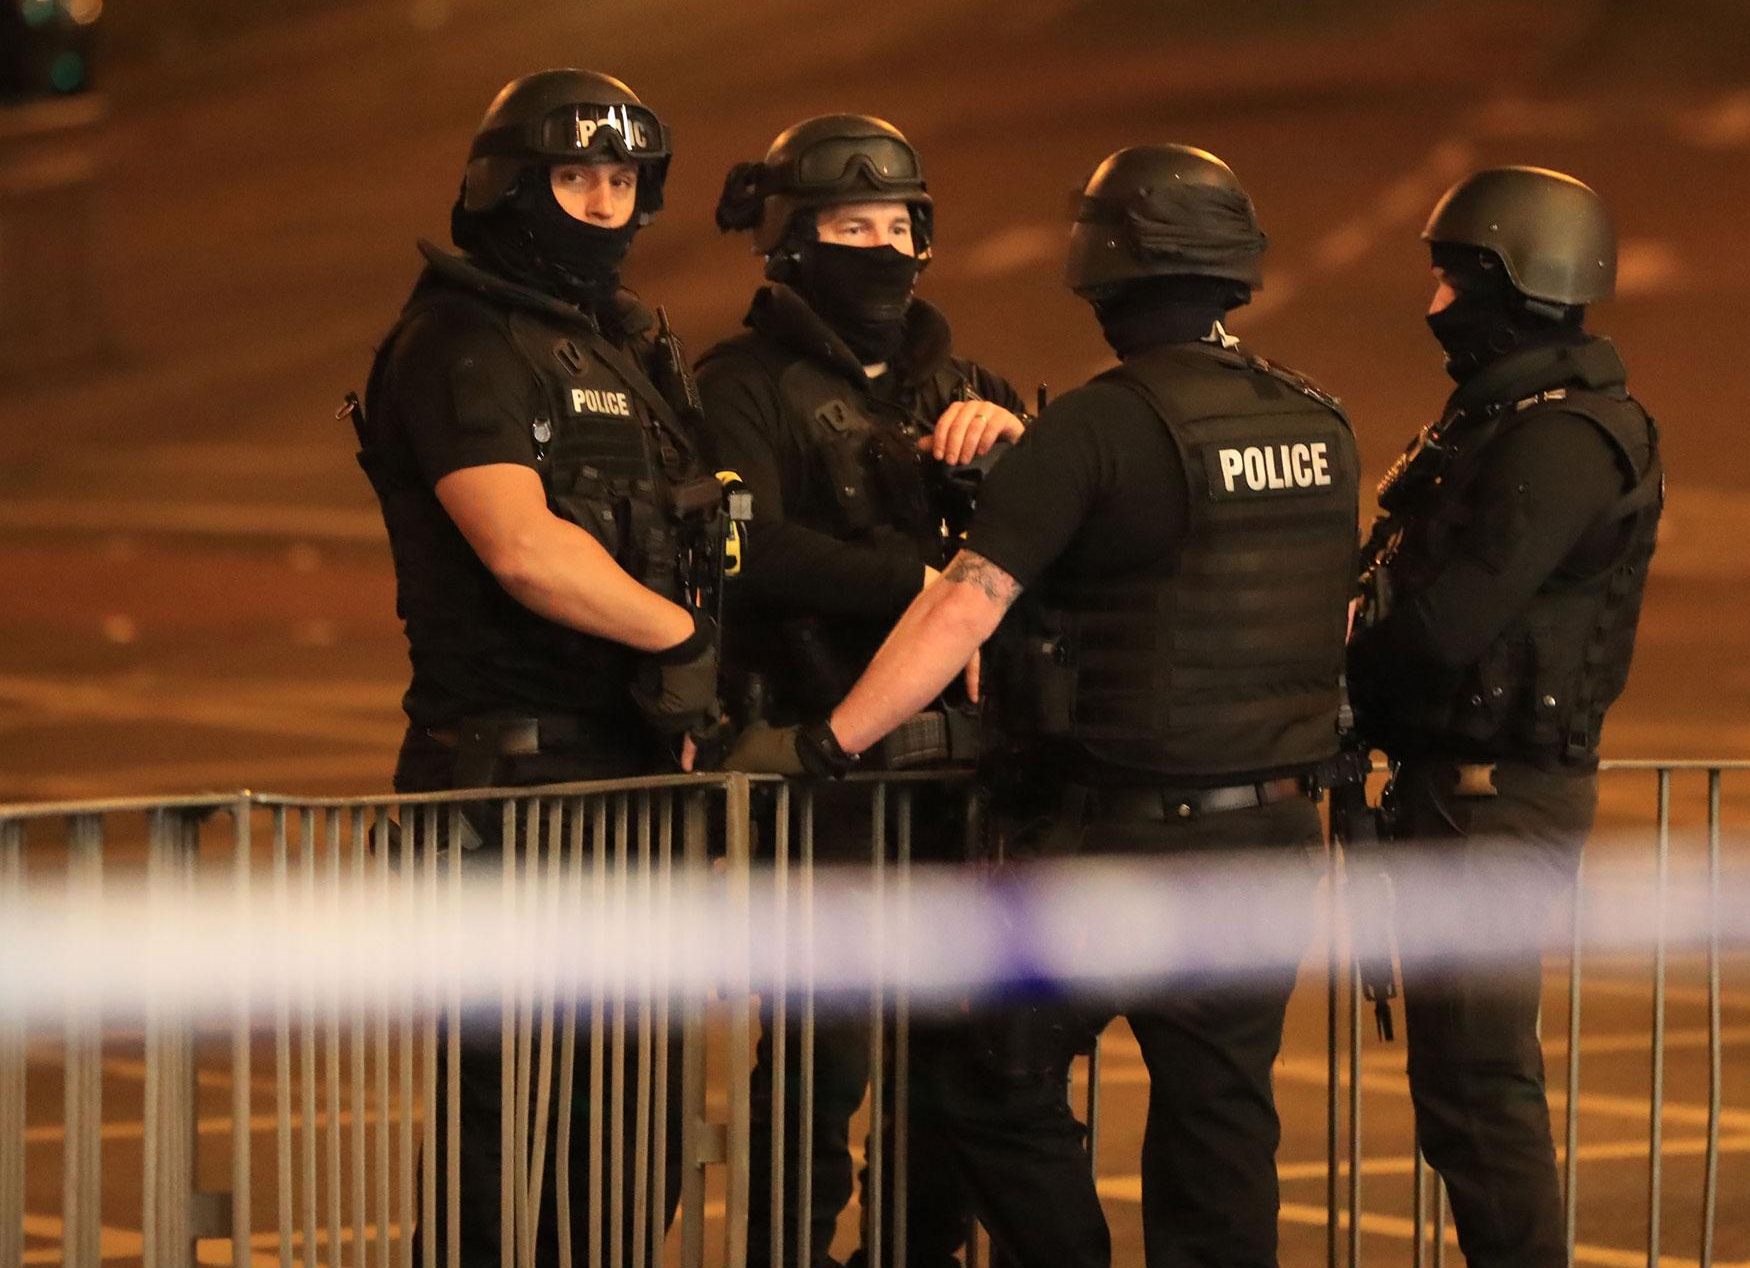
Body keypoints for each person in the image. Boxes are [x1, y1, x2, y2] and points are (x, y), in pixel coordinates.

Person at [758, 144, 1360, 1268]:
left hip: (1123, 840)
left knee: (985, 1072)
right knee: (1221, 1125)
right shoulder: (1315, 425)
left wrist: (827, 741)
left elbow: (960, 610)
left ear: (1099, 272)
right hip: (1274, 838)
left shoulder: (1094, 426)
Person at [351, 68, 726, 1266]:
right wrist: (683, 642)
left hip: (625, 783)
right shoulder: (458, 345)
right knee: (511, 1138)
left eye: (621, 181)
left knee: (637, 1135)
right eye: (575, 177)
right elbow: (521, 550)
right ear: (508, 188)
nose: (602, 203)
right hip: (510, 789)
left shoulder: (620, 348)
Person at [699, 113, 1027, 1268]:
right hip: (822, 777)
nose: (882, 249)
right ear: (792, 241)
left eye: (900, 225)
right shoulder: (737, 384)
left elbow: (1044, 553)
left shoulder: (962, 381)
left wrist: (1015, 449)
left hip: (956, 784)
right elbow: (748, 552)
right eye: (852, 226)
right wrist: (919, 580)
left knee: (945, 1071)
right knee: (815, 1067)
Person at [1347, 166, 1662, 1268]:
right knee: (1458, 1093)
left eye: (1450, 279)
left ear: (1512, 283)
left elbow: (1442, 623)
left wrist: (1344, 662)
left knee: (1479, 1092)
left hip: (1495, 802)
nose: (1433, 306)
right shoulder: (1507, 419)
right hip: (1463, 798)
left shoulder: (1560, 439)